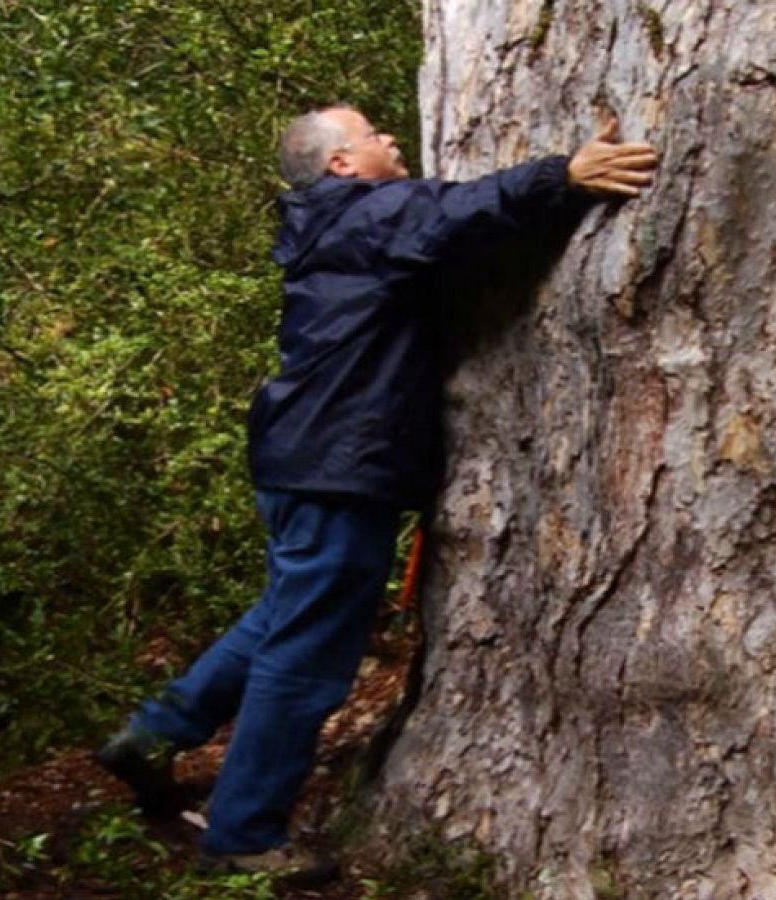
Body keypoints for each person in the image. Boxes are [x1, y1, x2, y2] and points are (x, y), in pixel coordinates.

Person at [92, 105, 658, 884]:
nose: (391, 139)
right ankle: (244, 832)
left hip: (305, 459)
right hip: (336, 465)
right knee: (309, 650)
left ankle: (153, 736)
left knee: (287, 613)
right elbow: (461, 208)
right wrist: (563, 175)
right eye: (372, 136)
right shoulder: (368, 215)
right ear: (342, 166)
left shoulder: (336, 224)